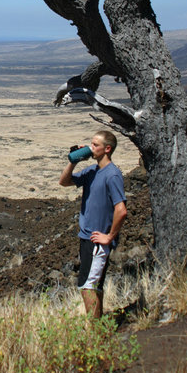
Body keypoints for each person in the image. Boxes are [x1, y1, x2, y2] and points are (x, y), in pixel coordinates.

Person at [59, 130, 127, 318]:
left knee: (87, 287)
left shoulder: (112, 174)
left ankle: (96, 334)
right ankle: (100, 328)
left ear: (107, 149)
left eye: (95, 145)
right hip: (87, 238)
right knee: (94, 285)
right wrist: (73, 161)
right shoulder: (93, 171)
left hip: (98, 241)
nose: (91, 148)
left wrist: (110, 236)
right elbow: (64, 182)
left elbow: (121, 210)